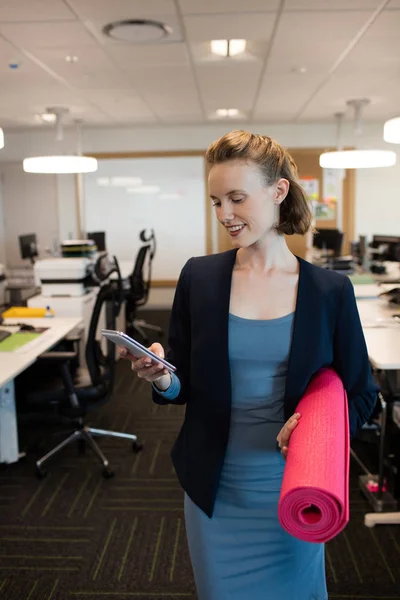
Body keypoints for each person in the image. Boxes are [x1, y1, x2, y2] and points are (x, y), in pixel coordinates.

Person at [120, 130, 378, 600]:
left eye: (237, 198)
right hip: (216, 492)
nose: (225, 215)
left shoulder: (328, 292)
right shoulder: (199, 278)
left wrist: (315, 434)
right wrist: (162, 377)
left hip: (294, 491)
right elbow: (184, 384)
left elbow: (362, 395)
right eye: (217, 201)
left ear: (278, 192)